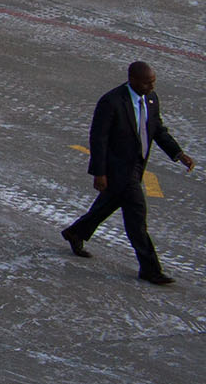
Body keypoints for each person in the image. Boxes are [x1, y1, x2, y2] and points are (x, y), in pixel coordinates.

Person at [65, 61, 194, 285]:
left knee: (108, 203)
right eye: (147, 82)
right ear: (132, 80)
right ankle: (150, 269)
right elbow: (99, 139)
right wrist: (99, 172)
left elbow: (158, 130)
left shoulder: (151, 100)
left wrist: (178, 154)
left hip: (137, 165)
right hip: (118, 168)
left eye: (153, 81)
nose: (152, 86)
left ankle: (76, 232)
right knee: (136, 217)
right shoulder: (111, 102)